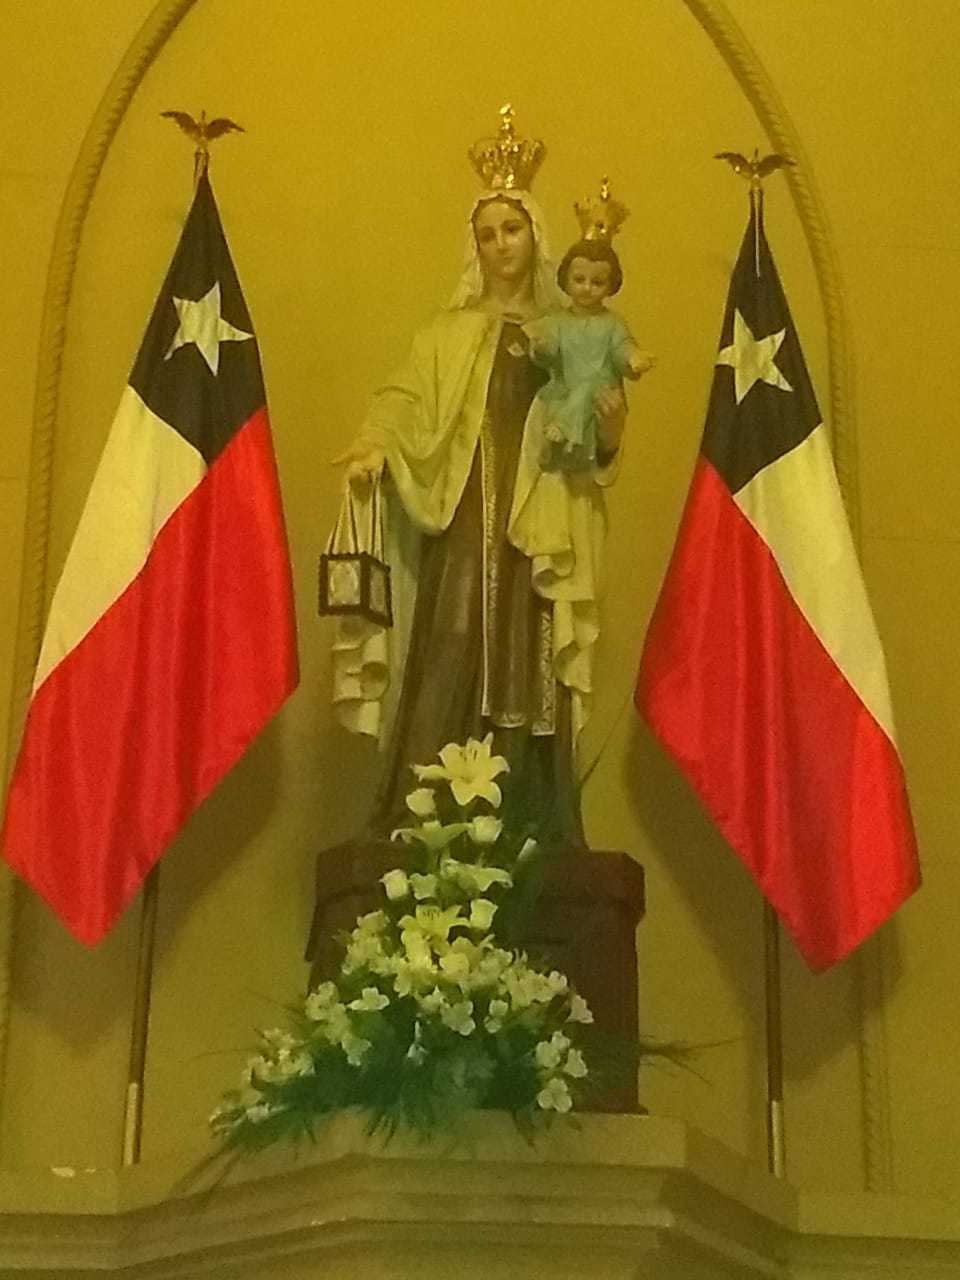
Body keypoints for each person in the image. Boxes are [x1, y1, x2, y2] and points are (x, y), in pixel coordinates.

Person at [330, 110, 632, 845]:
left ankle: (531, 820)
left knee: (535, 655)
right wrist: (375, 447)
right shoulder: (446, 334)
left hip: (540, 521)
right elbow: (403, 400)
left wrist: (611, 425)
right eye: (488, 233)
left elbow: (594, 443)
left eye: (513, 229)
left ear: (536, 236)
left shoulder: (567, 335)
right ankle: (425, 811)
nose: (502, 245)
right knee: (454, 634)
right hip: (465, 516)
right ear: (476, 246)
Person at [531, 237, 654, 473]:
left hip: (600, 393)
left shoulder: (612, 324)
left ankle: (562, 429)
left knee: (589, 388)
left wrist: (633, 358)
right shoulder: (557, 321)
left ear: (611, 285)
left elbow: (622, 347)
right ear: (566, 279)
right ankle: (557, 445)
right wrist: (542, 347)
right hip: (564, 391)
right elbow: (548, 353)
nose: (587, 288)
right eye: (579, 279)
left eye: (597, 282)